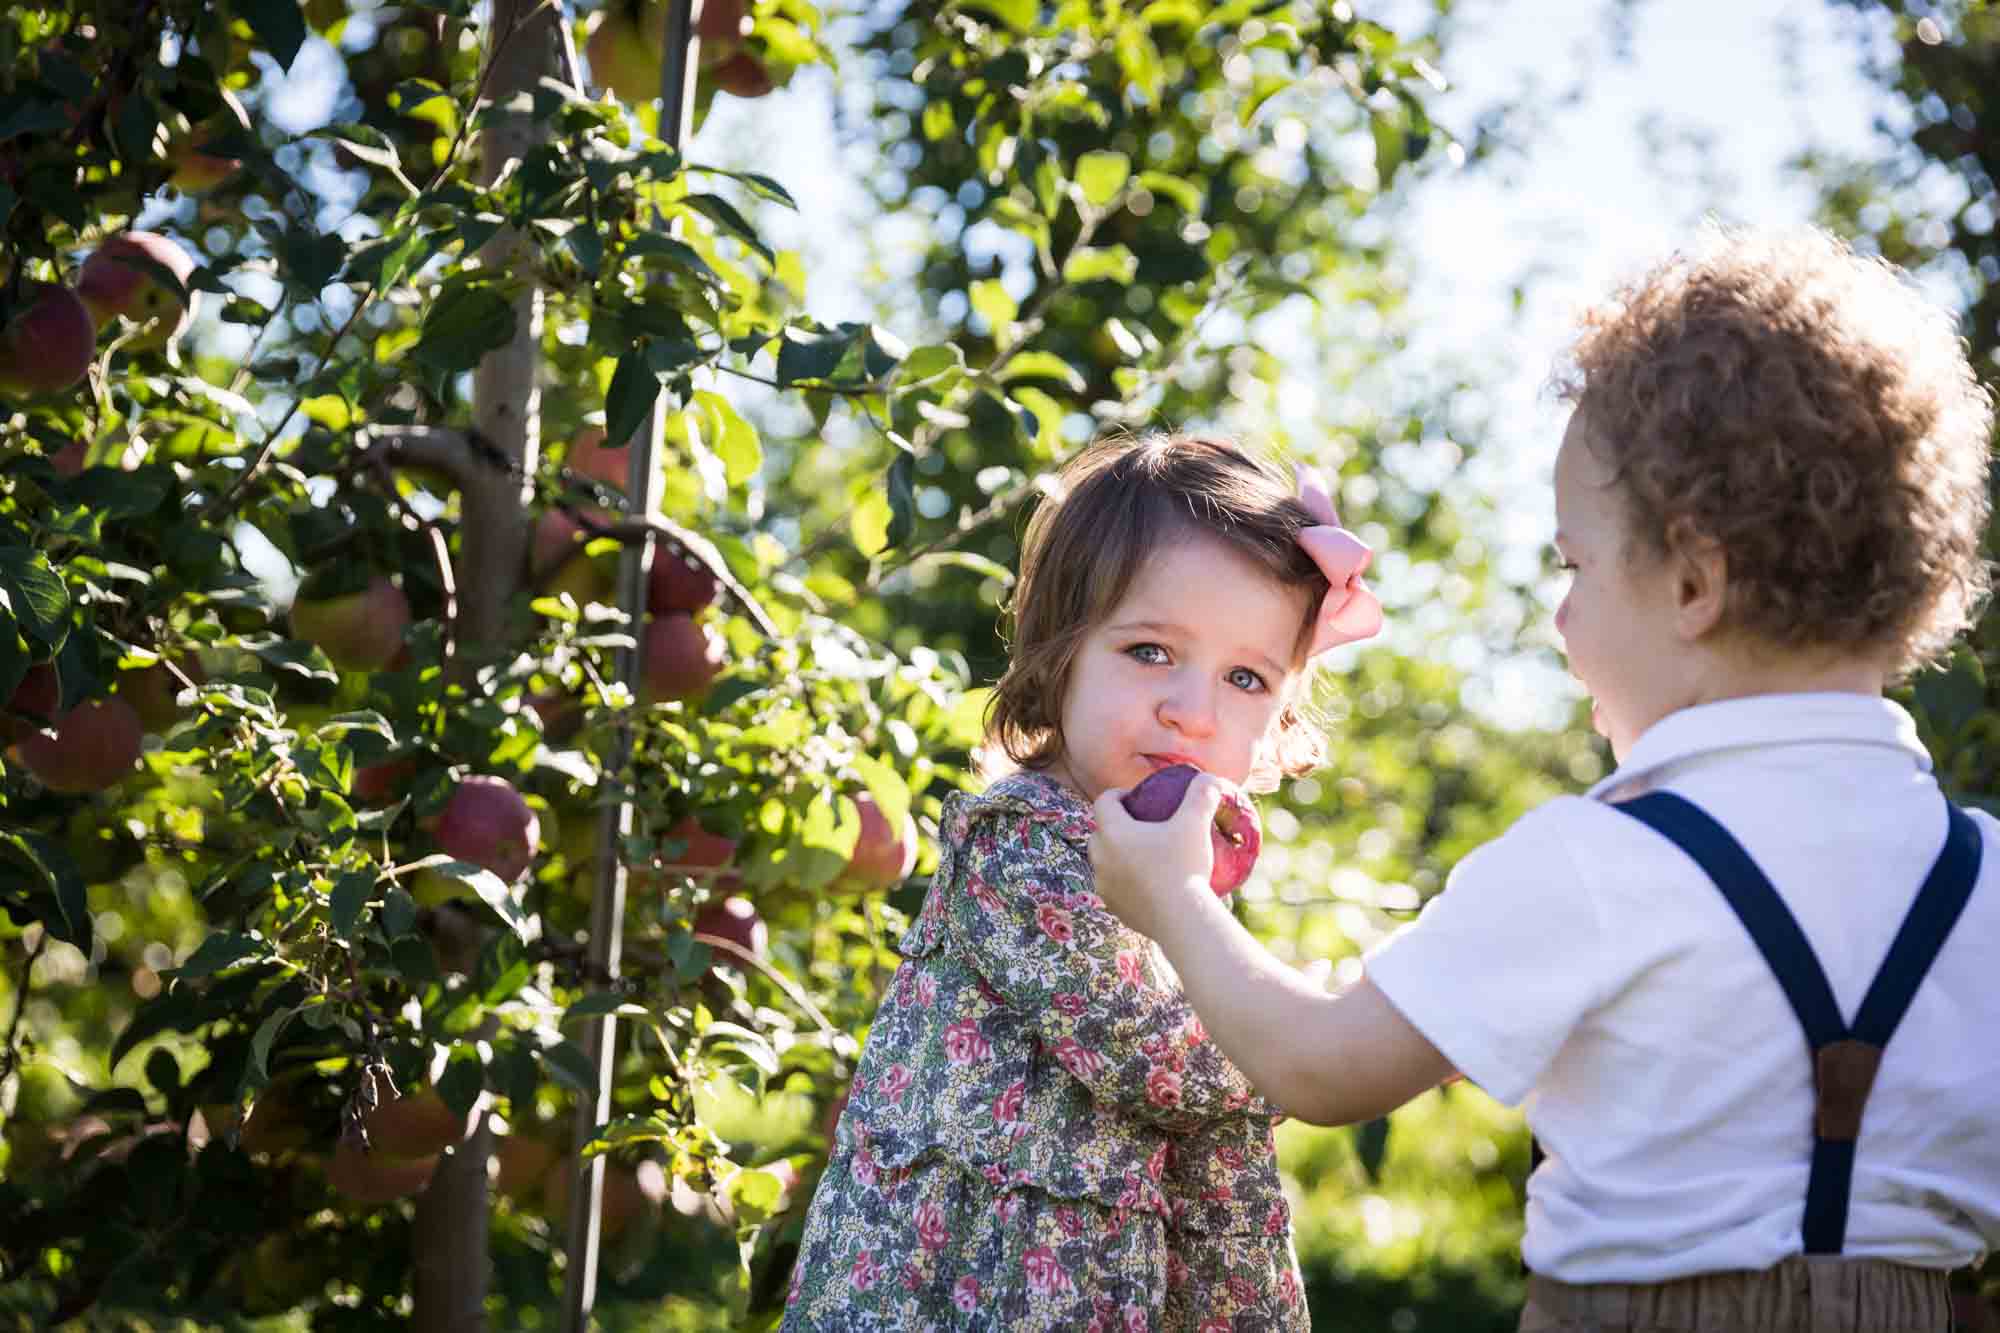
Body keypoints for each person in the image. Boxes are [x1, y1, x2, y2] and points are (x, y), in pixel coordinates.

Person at [1088, 226, 2000, 1333]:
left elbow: (1321, 1068)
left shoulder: (1603, 861)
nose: (1559, 621)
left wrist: (1171, 899)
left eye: (1572, 566)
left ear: (1693, 581)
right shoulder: (1983, 877)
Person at [781, 432, 1383, 1330]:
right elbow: (1153, 1055)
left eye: (1246, 676)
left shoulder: (1163, 846)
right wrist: (1340, 1036)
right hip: (985, 1287)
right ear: (1063, 651)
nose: (1192, 709)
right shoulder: (1022, 843)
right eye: (1149, 651)